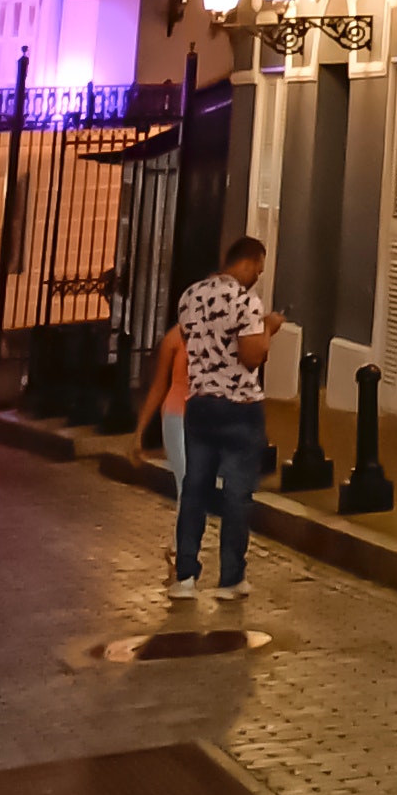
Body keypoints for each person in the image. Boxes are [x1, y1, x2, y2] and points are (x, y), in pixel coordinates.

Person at [159, 239, 280, 600]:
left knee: (195, 489)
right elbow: (251, 357)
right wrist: (268, 328)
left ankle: (185, 576)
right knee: (236, 495)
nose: (259, 275)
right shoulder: (246, 302)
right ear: (249, 261)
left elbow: (195, 343)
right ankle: (231, 578)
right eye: (259, 267)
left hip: (199, 404)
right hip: (239, 407)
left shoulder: (189, 297)